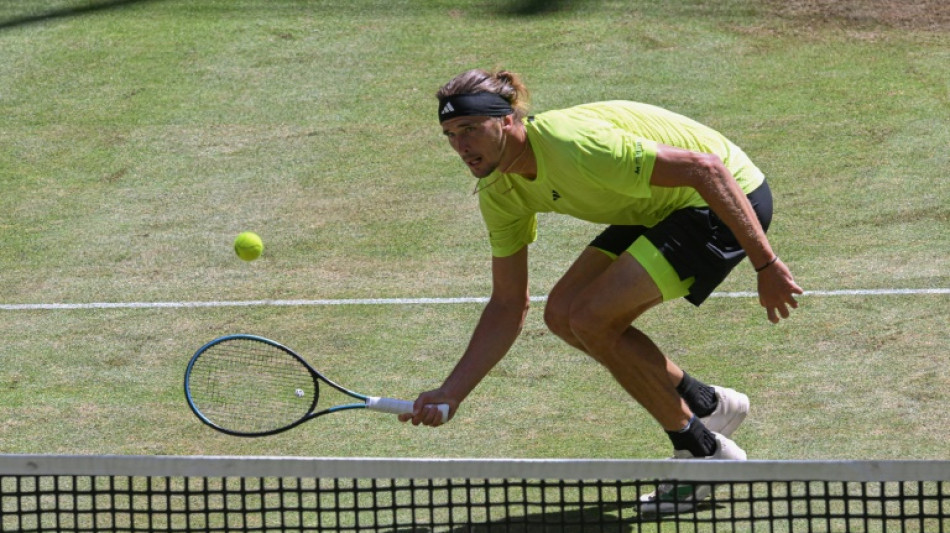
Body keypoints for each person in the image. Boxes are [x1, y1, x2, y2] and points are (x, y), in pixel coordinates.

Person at [398, 68, 803, 513]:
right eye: (450, 134)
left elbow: (706, 168)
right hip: (654, 204)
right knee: (563, 314)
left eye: (470, 129)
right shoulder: (499, 190)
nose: (461, 146)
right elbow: (508, 303)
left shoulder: (574, 146)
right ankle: (706, 403)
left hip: (721, 197)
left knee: (591, 317)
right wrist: (452, 391)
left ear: (508, 121)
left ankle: (702, 452)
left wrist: (766, 263)